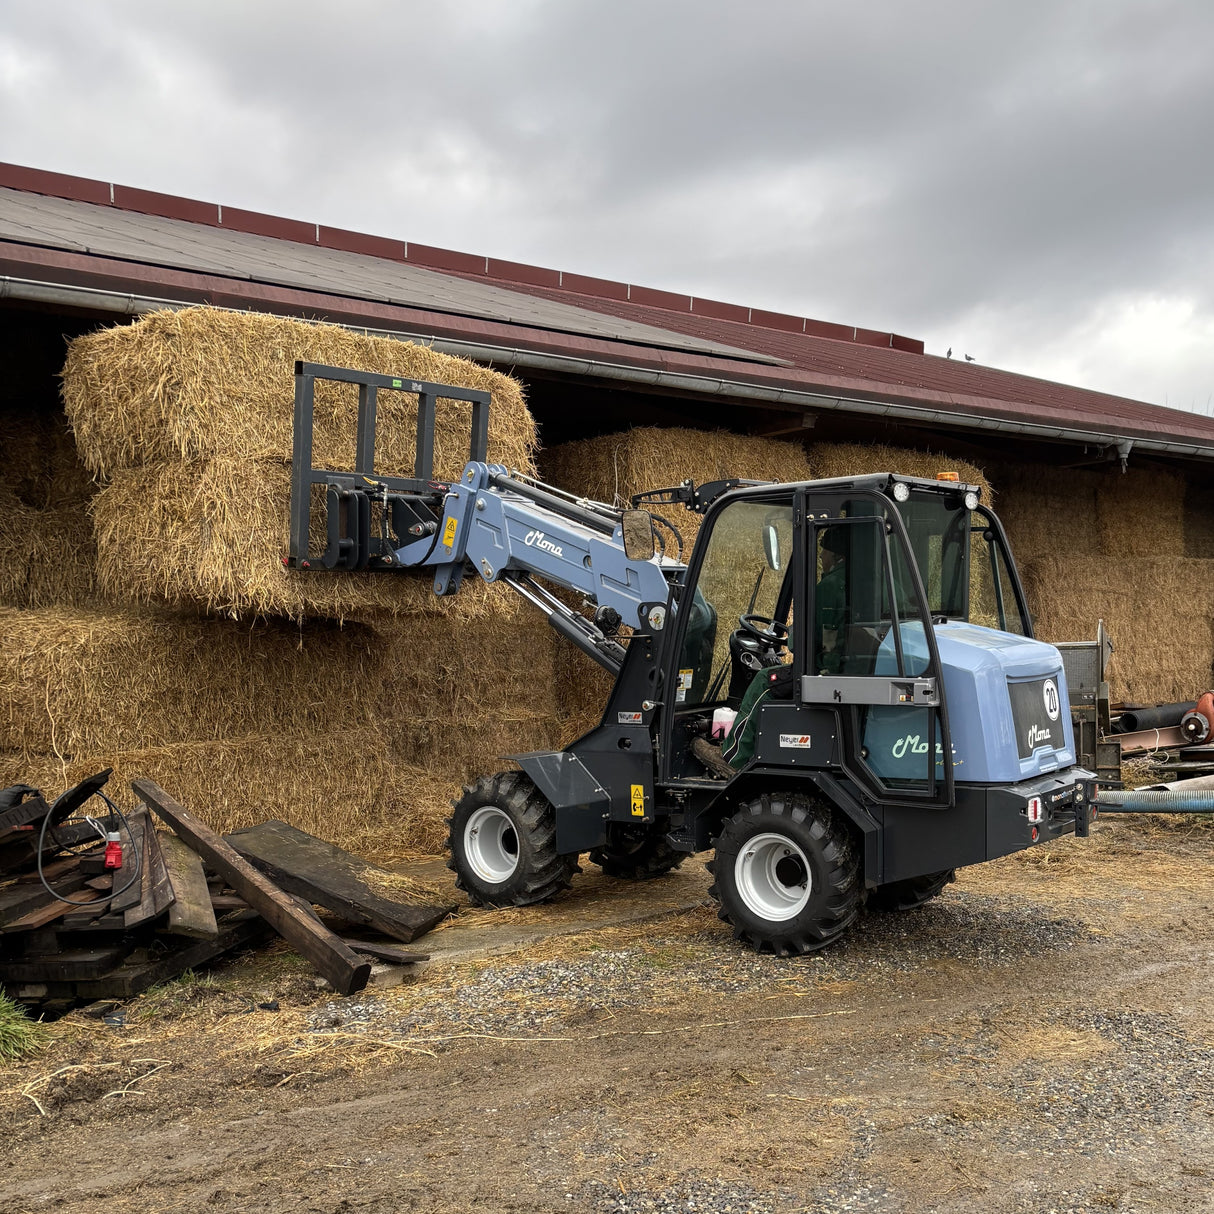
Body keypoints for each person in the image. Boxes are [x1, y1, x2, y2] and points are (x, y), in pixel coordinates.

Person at [720, 526, 848, 771]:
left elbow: (799, 643)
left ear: (836, 555)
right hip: (845, 668)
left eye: (824, 552)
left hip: (827, 672)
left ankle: (732, 757)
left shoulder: (829, 588)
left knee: (764, 681)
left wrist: (791, 633)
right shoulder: (864, 583)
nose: (821, 558)